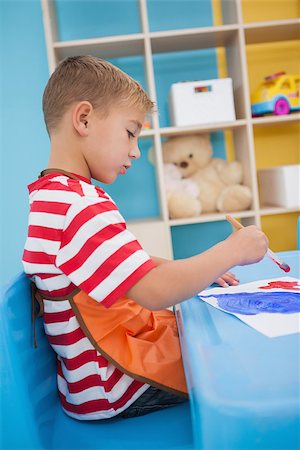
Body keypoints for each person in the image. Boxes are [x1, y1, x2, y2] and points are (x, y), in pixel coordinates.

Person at [22, 56, 268, 421]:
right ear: (84, 118)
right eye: (131, 132)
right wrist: (231, 251)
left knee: (210, 332)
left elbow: (124, 267)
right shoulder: (80, 205)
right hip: (114, 387)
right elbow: (153, 291)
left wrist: (195, 270)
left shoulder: (54, 196)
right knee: (245, 360)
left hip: (90, 383)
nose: (137, 151)